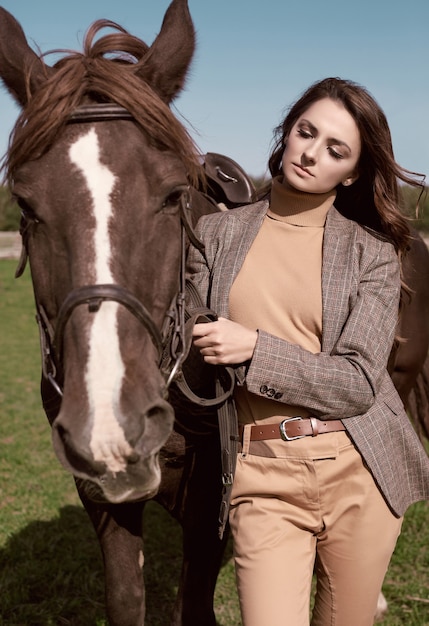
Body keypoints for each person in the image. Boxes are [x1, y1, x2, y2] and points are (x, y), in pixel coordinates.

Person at [186, 77, 429, 626]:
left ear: (353, 173)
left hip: (358, 468)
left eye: (335, 150)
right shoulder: (214, 234)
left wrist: (252, 349)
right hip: (261, 474)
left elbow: (359, 383)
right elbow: (190, 348)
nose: (312, 153)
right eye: (306, 132)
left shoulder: (373, 255)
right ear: (287, 131)